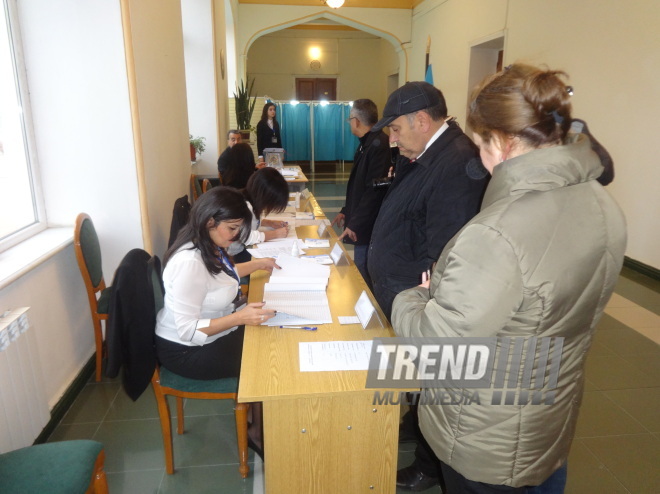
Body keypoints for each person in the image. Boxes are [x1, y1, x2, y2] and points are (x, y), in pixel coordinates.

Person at [391, 64, 626, 492]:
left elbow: (435, 344)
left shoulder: (497, 233)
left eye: (480, 143)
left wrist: (414, 298)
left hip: (485, 435)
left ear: (504, 142)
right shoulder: (601, 204)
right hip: (549, 417)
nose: (479, 157)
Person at [366, 82, 489, 491]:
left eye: (397, 128)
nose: (392, 138)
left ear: (422, 119)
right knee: (414, 379)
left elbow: (445, 251)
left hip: (422, 303)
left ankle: (428, 463)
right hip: (400, 291)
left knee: (430, 380)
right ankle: (415, 421)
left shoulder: (456, 163)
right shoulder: (425, 152)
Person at [155, 186, 280, 457]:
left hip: (210, 333)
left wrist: (259, 264)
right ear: (210, 221)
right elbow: (187, 330)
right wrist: (240, 317)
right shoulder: (190, 262)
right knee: (260, 358)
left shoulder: (207, 243)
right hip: (186, 351)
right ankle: (256, 432)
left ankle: (254, 417)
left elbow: (221, 275)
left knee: (264, 339)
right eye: (232, 228)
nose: (236, 236)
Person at [331, 99, 391, 288]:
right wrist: (346, 211)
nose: (350, 123)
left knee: (364, 269)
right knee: (360, 267)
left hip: (369, 224)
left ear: (356, 121)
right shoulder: (365, 144)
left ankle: (371, 311)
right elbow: (358, 186)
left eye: (350, 119)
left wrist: (355, 223)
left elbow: (374, 191)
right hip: (361, 219)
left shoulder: (379, 145)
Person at [228, 167, 291, 263]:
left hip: (235, 251)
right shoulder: (245, 206)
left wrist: (269, 223)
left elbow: (248, 222)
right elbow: (247, 237)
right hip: (232, 256)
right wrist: (275, 234)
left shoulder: (246, 198)